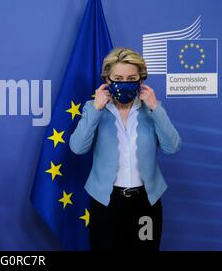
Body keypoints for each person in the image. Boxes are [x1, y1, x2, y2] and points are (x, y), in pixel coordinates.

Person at [69, 47, 181, 251]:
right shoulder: (94, 108)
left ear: (141, 80)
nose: (125, 83)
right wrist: (96, 109)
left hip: (145, 204)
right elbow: (77, 147)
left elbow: (172, 147)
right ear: (107, 80)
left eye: (131, 78)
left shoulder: (152, 108)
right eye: (118, 77)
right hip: (106, 203)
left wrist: (155, 108)